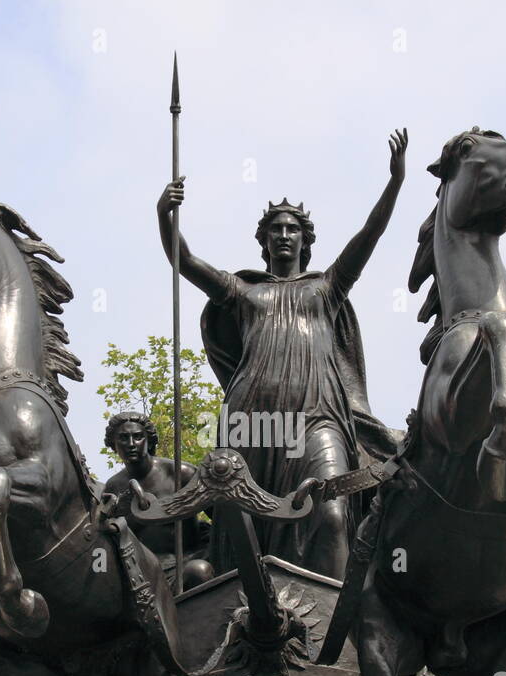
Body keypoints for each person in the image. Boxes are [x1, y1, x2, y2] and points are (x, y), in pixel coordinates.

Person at [155, 130, 407, 579]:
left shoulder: (326, 288)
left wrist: (395, 182)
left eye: (292, 229)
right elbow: (184, 260)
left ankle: (329, 632)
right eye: (276, 229)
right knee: (240, 526)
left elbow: (370, 234)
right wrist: (165, 215)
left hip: (318, 417)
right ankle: (243, 619)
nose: (284, 235)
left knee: (329, 512)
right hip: (252, 419)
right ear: (264, 240)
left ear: (305, 239)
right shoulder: (242, 290)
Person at [102, 410, 214, 590]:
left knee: (199, 571)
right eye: (123, 438)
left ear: (149, 440)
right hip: (145, 574)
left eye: (138, 437)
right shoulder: (113, 487)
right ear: (113, 444)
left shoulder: (180, 473)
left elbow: (221, 515)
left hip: (189, 561)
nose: (131, 444)